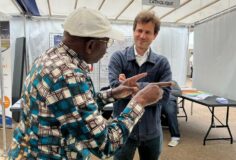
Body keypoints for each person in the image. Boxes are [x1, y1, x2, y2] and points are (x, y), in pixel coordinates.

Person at [8, 8, 165, 160]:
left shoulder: (49, 57)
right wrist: (139, 101)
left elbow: (73, 107)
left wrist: (113, 93)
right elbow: (105, 144)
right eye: (107, 42)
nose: (106, 51)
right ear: (90, 45)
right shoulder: (69, 75)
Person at [108, 10, 172, 160]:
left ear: (155, 35)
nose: (142, 36)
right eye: (139, 30)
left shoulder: (162, 63)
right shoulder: (118, 58)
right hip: (123, 131)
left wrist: (133, 86)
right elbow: (115, 88)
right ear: (134, 31)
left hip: (152, 132)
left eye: (148, 32)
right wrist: (152, 89)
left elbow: (166, 96)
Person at [161, 80, 182, 147]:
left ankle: (175, 137)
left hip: (169, 101)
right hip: (157, 100)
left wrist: (167, 90)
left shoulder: (172, 82)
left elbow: (179, 93)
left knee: (170, 112)